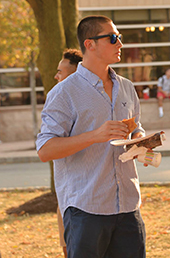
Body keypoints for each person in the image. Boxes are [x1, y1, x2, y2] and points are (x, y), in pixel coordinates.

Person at [36, 15, 146, 258]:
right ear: (90, 44)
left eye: (120, 38)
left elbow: (135, 126)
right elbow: (45, 150)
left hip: (128, 207)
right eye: (113, 38)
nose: (120, 44)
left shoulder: (126, 87)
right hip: (86, 211)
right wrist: (95, 135)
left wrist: (140, 141)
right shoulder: (63, 93)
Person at [54, 48, 83, 258]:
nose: (56, 76)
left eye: (60, 72)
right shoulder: (58, 100)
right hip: (66, 196)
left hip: (84, 201)